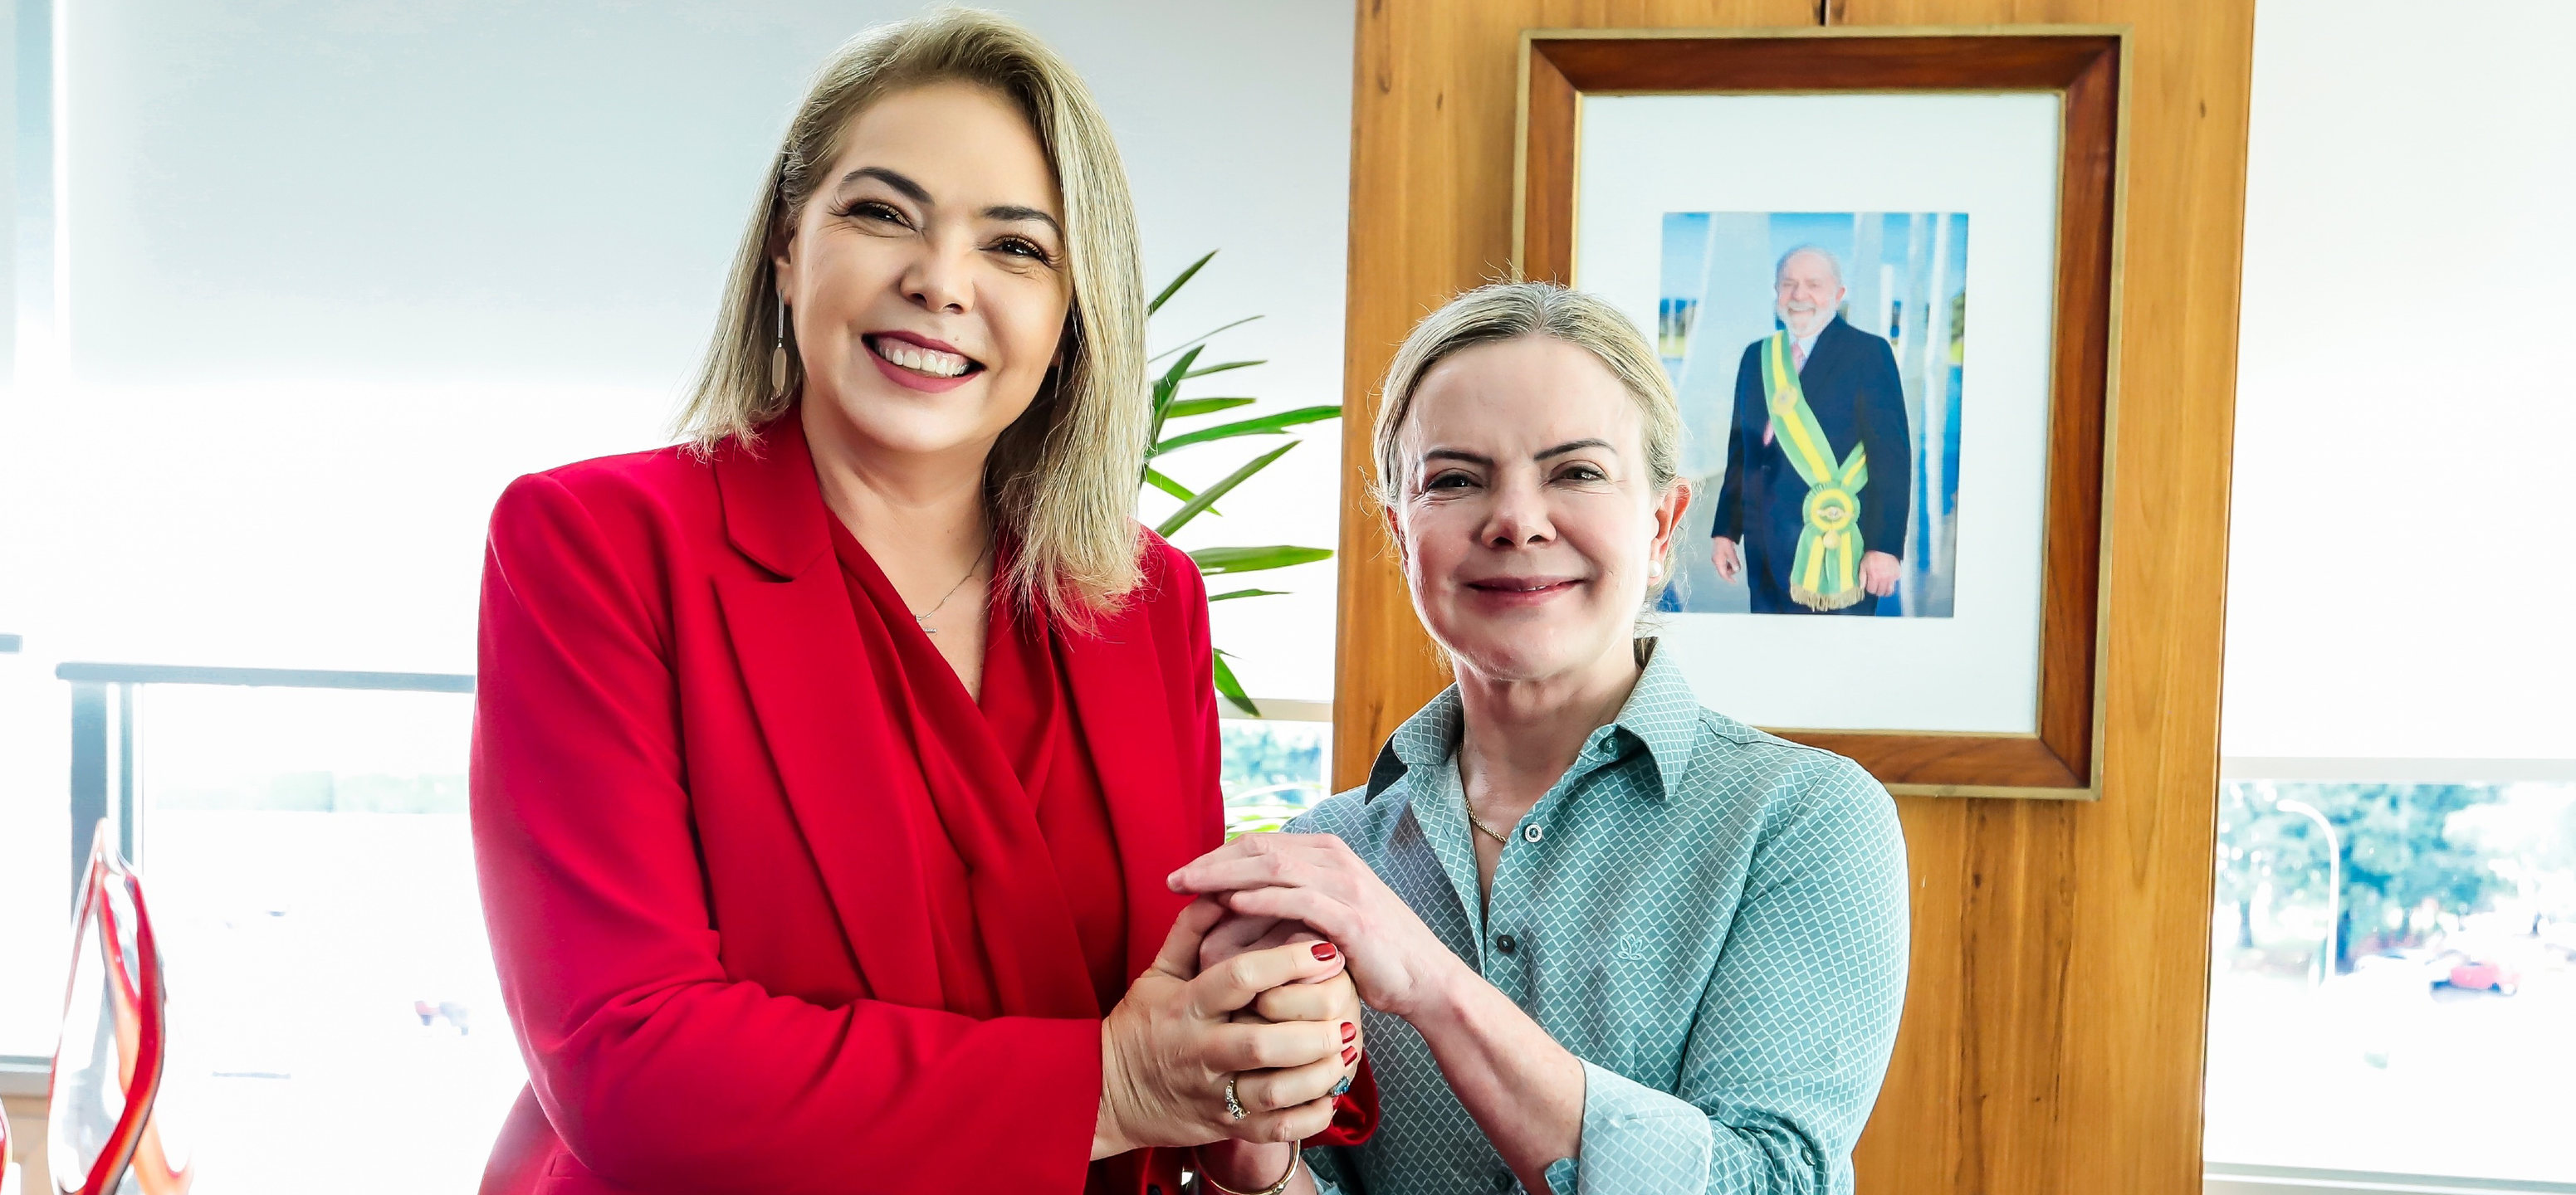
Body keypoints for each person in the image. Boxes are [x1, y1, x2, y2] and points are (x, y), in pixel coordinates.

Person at [468, 12, 1366, 1194]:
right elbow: (626, 1059)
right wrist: (1108, 1087)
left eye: (1016, 246)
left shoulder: (1146, 601)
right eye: (882, 214)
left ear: (1072, 313)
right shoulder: (596, 546)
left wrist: (1251, 1072)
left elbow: (1175, 1010)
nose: (940, 281)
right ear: (786, 248)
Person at [1172, 283, 1909, 1193]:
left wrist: (1431, 985)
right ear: (1402, 537)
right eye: (1454, 479)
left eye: (1577, 473)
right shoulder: (1327, 853)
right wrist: (1248, 1137)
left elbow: (1771, 1181)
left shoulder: (1805, 819)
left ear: (1662, 526)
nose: (1516, 520)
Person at [1710, 246, 1912, 614]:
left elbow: (1891, 459)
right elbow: (1742, 452)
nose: (1799, 295)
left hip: (1838, 543)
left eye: (1813, 285)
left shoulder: (1868, 353)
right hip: (1763, 546)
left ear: (1838, 294)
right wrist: (1726, 531)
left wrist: (1884, 548)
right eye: (1788, 284)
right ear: (1777, 292)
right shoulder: (1756, 357)